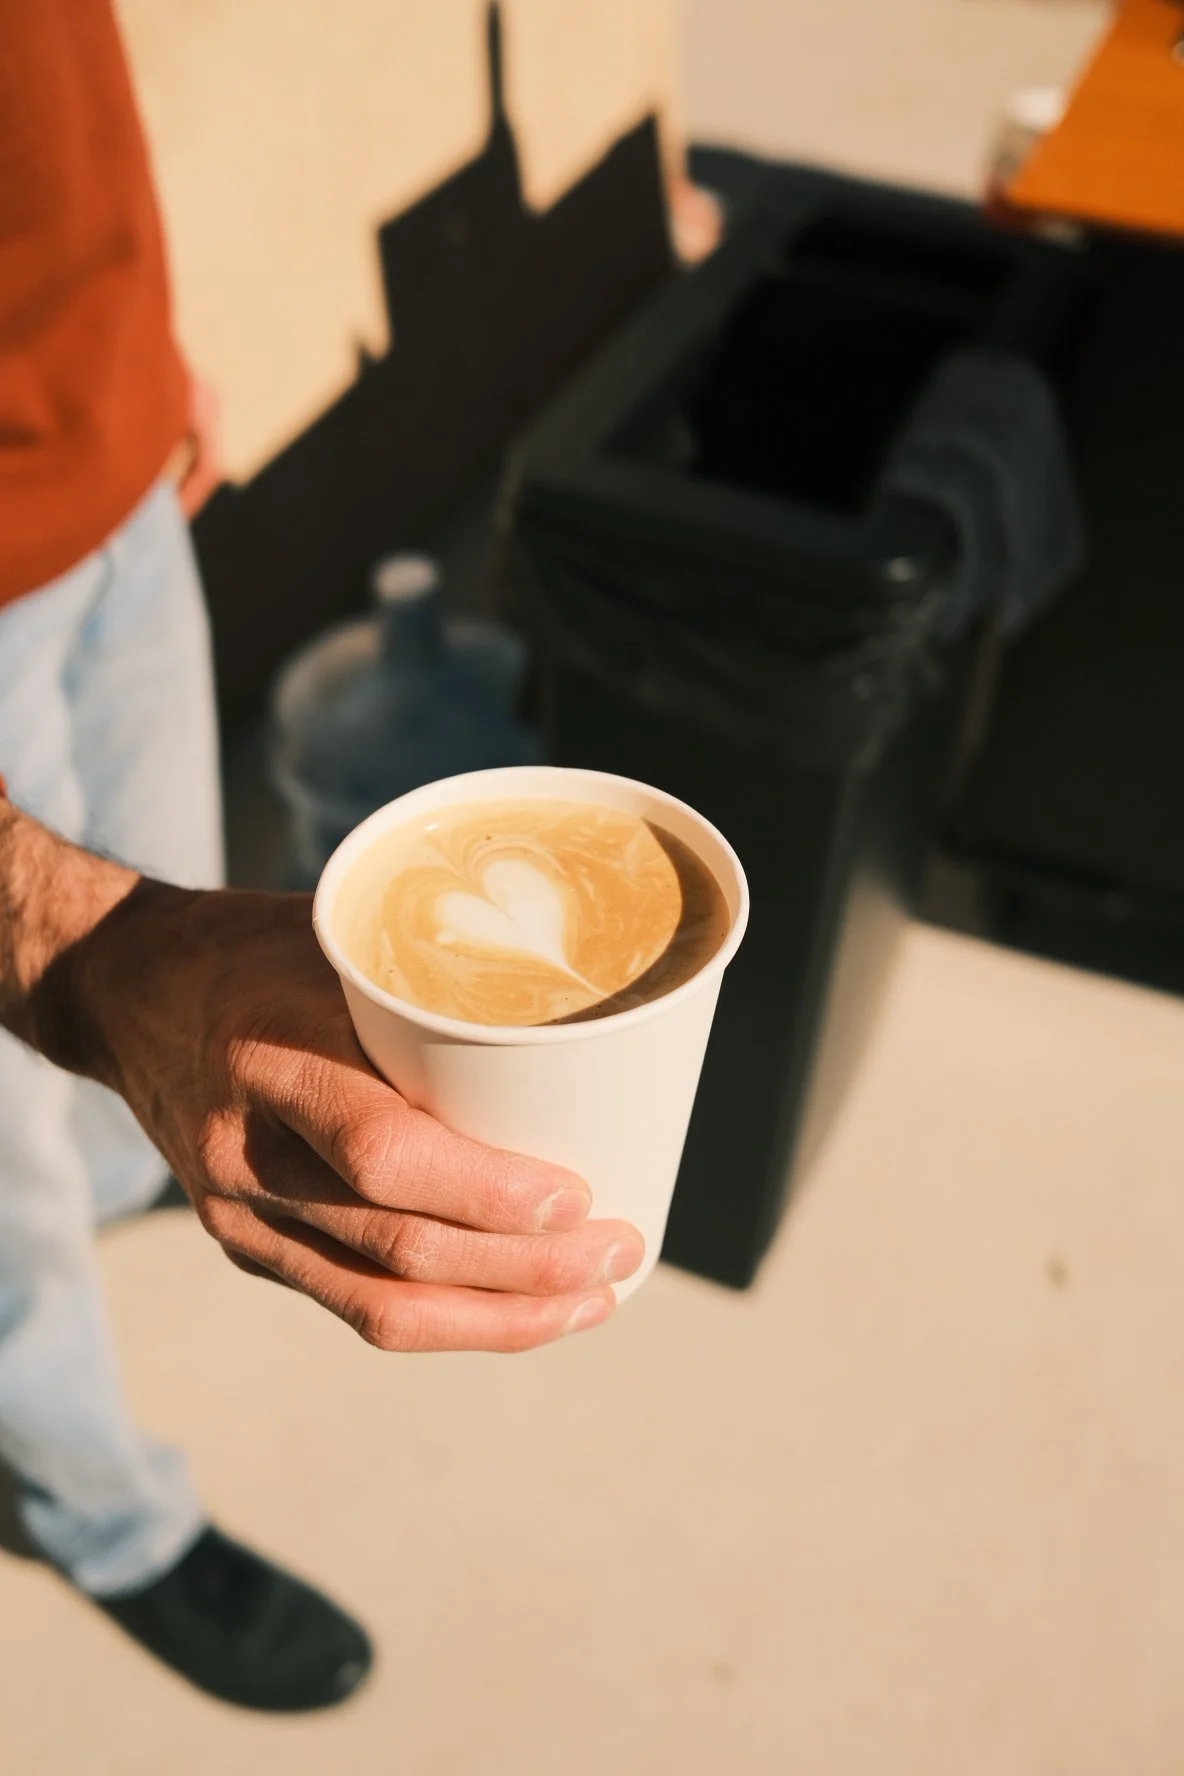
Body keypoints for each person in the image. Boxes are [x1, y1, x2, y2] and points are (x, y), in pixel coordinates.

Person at [0, 1, 641, 1713]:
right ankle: (94, 1506)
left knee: (143, 974)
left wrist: (122, 331)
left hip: (111, 443)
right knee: (14, 1148)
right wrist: (78, 951)